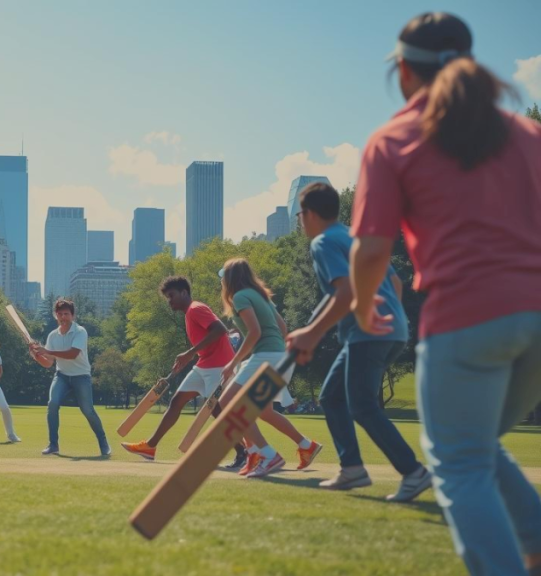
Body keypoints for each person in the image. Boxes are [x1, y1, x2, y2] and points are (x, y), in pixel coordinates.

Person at [348, 12, 541, 575]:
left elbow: (372, 250)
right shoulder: (529, 135)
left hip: (467, 317)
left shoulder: (394, 138)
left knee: (457, 461)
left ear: (404, 70)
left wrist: (364, 306)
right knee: (473, 445)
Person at [287, 182, 431, 502]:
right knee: (332, 397)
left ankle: (413, 472)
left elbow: (347, 292)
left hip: (369, 333)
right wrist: (313, 328)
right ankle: (352, 467)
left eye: (299, 214)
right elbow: (393, 280)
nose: (300, 221)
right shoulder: (354, 236)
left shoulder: (323, 242)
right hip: (392, 330)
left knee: (362, 406)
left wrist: (311, 335)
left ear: (309, 214)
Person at [121, 276, 246, 467]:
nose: (169, 301)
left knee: (216, 411)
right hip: (203, 364)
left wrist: (189, 353)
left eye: (171, 296)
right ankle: (150, 446)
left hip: (219, 366)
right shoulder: (189, 314)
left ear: (184, 293)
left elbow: (220, 330)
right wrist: (188, 358)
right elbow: (207, 342)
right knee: (176, 401)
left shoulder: (196, 308)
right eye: (167, 297)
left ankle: (243, 451)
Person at [215, 258, 323, 478]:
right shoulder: (261, 296)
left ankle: (266, 454)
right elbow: (282, 327)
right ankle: (305, 446)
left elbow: (254, 332)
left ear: (230, 279)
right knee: (264, 411)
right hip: (278, 356)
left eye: (223, 277)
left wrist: (233, 363)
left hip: (264, 357)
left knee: (227, 403)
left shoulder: (240, 297)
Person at [31, 298, 110, 457]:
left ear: (73, 316)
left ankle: (104, 444)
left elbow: (73, 354)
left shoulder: (80, 331)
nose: (63, 317)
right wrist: (36, 355)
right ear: (56, 316)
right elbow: (48, 363)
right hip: (61, 376)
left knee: (88, 410)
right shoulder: (53, 336)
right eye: (60, 314)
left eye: (66, 314)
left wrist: (46, 351)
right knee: (52, 403)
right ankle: (53, 445)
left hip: (81, 376)